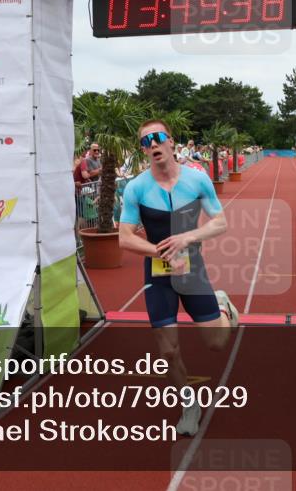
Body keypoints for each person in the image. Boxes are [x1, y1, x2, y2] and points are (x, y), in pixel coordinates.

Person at [118, 119, 238, 437]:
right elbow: (125, 238)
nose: (153, 145)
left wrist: (187, 238)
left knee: (216, 343)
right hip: (158, 275)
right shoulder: (136, 188)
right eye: (146, 141)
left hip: (193, 269)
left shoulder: (197, 180)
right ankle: (189, 403)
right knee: (168, 350)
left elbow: (220, 223)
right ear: (143, 149)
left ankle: (223, 306)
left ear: (171, 142)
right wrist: (157, 252)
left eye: (158, 138)